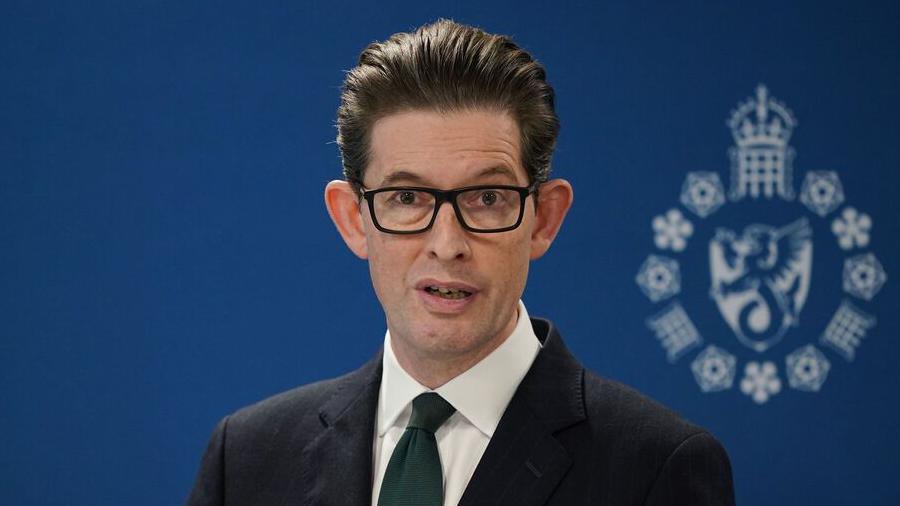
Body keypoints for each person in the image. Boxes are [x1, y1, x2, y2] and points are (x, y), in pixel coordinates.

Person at [186, 19, 735, 506]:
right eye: (407, 199)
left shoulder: (657, 469)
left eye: (488, 198)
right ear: (353, 219)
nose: (447, 244)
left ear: (543, 218)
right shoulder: (247, 459)